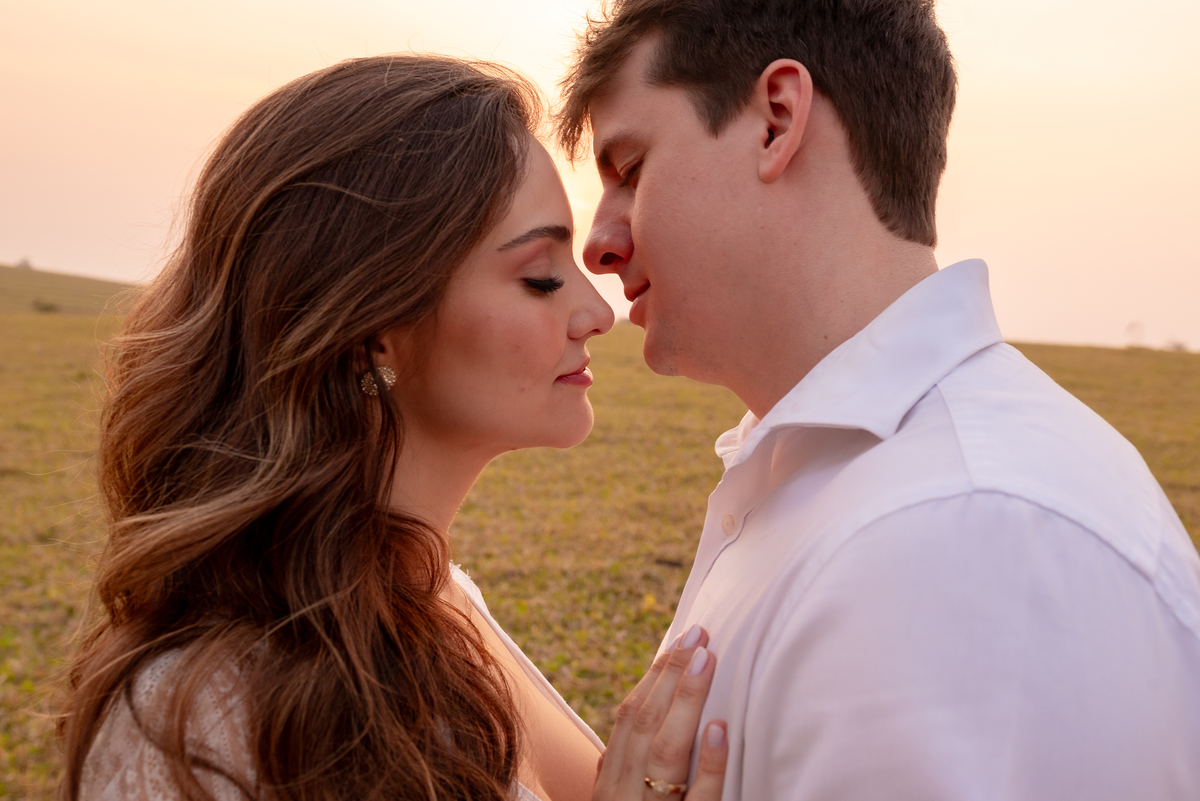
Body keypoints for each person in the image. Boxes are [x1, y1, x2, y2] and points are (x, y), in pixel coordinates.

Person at [556, 1, 1200, 798]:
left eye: (631, 169)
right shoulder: (849, 481)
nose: (599, 241)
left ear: (776, 120)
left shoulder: (964, 533)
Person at [57, 54, 728, 801]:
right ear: (374, 328)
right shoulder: (194, 715)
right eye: (541, 275)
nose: (597, 313)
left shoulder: (434, 603)